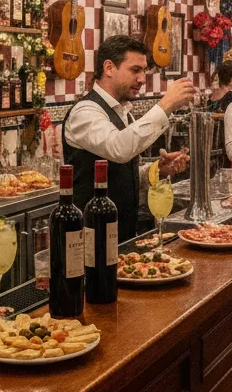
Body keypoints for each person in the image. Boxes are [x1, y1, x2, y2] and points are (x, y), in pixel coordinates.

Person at [63, 35, 194, 241]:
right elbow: (119, 149)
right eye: (135, 70)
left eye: (144, 71)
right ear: (109, 68)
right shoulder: (85, 111)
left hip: (121, 232)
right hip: (88, 235)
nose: (142, 79)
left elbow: (121, 171)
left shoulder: (124, 112)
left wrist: (157, 170)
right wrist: (166, 105)